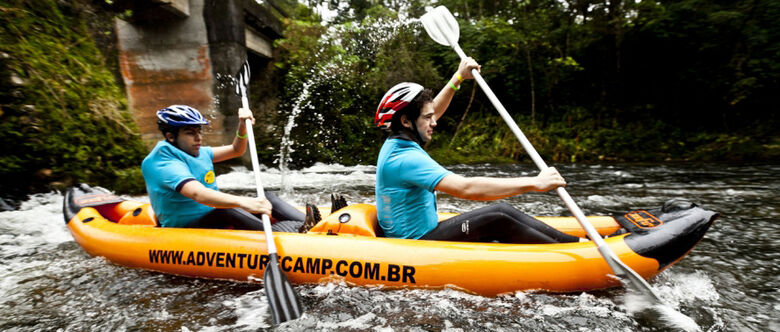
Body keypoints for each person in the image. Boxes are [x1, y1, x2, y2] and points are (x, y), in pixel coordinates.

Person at [374, 59, 582, 244]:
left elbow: (432, 110)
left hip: (421, 235)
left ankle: (577, 243)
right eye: (428, 118)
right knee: (497, 217)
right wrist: (534, 183)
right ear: (406, 121)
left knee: (503, 211)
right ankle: (580, 249)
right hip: (416, 244)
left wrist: (458, 78)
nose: (434, 122)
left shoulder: (399, 142)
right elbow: (466, 188)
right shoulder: (405, 159)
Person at [141, 105, 304, 230]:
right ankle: (285, 236)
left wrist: (242, 126)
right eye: (190, 133)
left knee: (267, 197)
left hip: (212, 217)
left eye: (199, 131)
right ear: (170, 136)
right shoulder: (162, 162)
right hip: (186, 227)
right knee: (228, 210)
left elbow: (236, 150)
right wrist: (243, 202)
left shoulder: (198, 152)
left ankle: (314, 226)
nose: (198, 138)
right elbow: (197, 193)